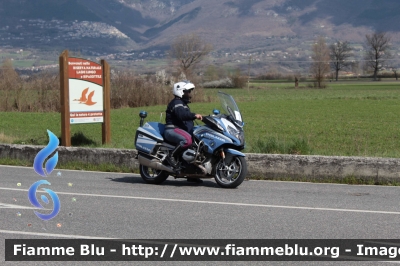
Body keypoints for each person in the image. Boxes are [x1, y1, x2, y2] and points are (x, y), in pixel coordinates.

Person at [164, 80, 203, 182]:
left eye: (189, 91)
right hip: (172, 129)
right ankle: (171, 156)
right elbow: (182, 115)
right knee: (187, 140)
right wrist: (194, 115)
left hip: (179, 130)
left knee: (196, 147)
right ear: (181, 91)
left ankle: (191, 174)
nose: (189, 94)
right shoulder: (177, 103)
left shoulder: (182, 104)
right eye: (187, 91)